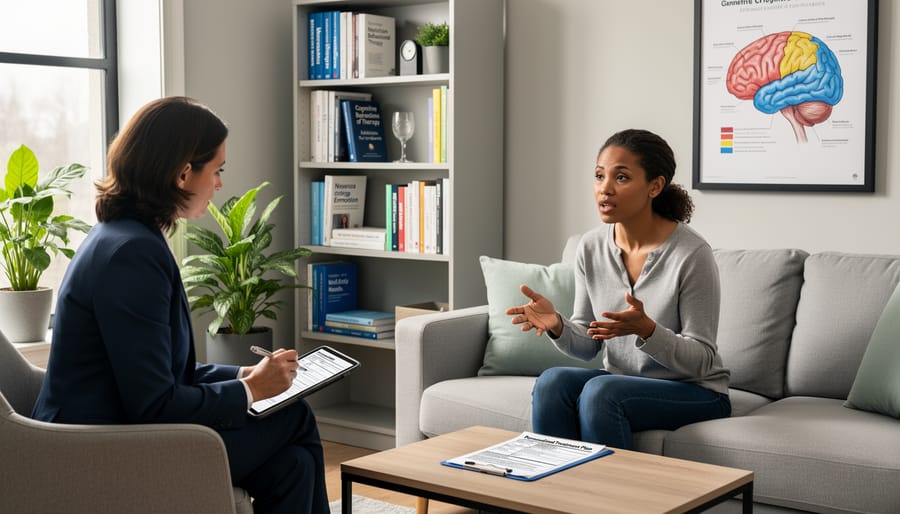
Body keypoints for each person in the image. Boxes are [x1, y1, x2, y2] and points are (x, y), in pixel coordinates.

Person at [32, 96, 329, 514]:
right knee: (293, 417)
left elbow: (157, 373)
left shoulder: (124, 237)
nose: (220, 184)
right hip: (97, 449)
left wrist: (244, 373)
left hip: (116, 428)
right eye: (217, 170)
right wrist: (250, 390)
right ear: (183, 173)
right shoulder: (132, 255)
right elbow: (154, 403)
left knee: (292, 465)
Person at [506, 128, 731, 450]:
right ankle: (552, 494)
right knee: (552, 382)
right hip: (621, 381)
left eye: (621, 178)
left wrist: (649, 331)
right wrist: (558, 325)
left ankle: (606, 499)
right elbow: (588, 343)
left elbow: (702, 360)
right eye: (599, 176)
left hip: (696, 391)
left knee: (601, 392)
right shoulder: (591, 247)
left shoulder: (692, 254)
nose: (604, 189)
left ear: (655, 186)